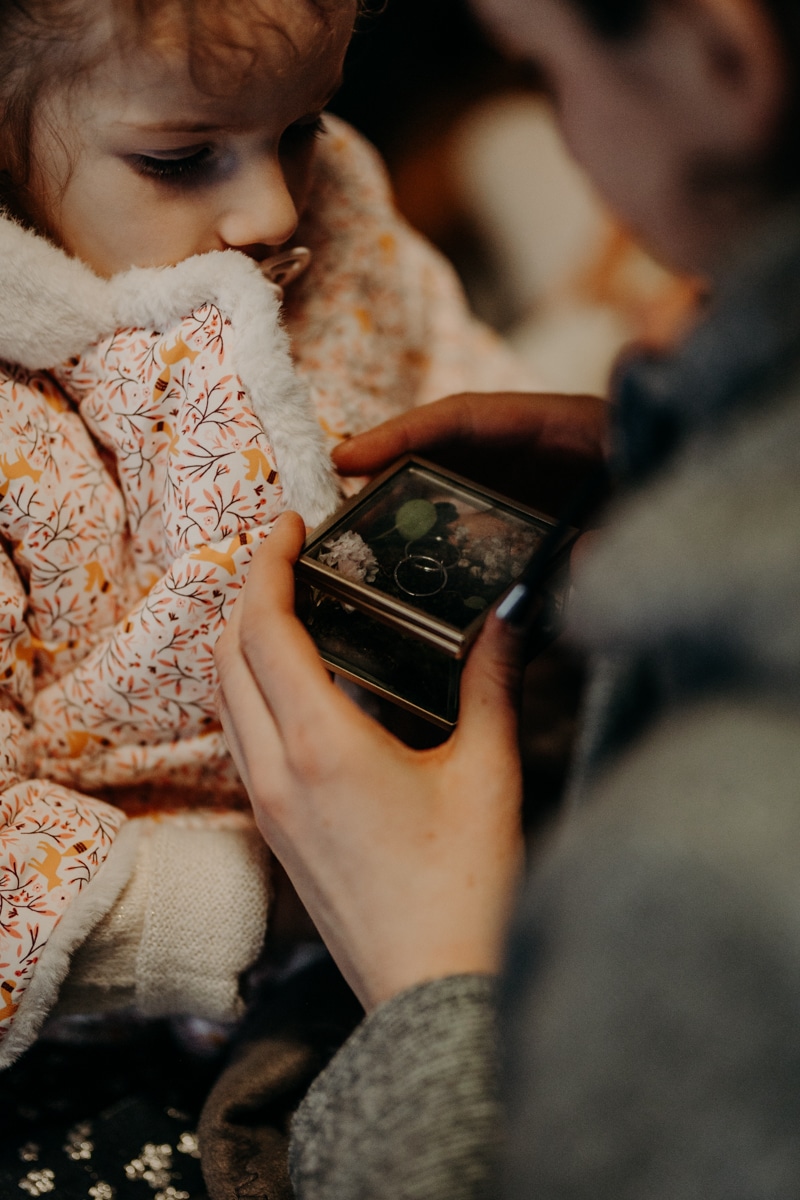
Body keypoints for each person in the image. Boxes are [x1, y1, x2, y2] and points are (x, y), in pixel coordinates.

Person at [213, 0, 800, 1195]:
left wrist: (430, 978)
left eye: (542, 72)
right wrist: (669, 458)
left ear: (719, 59)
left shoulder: (711, 863)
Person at [0, 0, 539, 1069]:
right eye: (182, 156)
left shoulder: (338, 200)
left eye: (301, 129)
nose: (272, 207)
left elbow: (455, 361)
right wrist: (262, 907)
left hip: (472, 776)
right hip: (158, 991)